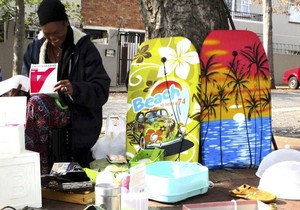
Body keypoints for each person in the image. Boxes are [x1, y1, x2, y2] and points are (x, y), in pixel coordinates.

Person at [20, 0, 111, 174]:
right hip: (39, 108)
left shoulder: (84, 48)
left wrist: (74, 89)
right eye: (47, 34)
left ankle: (40, 171)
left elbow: (101, 89)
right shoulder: (35, 49)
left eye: (56, 33)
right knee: (32, 105)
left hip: (77, 113)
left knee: (37, 104)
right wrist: (18, 91)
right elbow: (26, 82)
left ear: (66, 23)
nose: (52, 38)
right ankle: (31, 171)